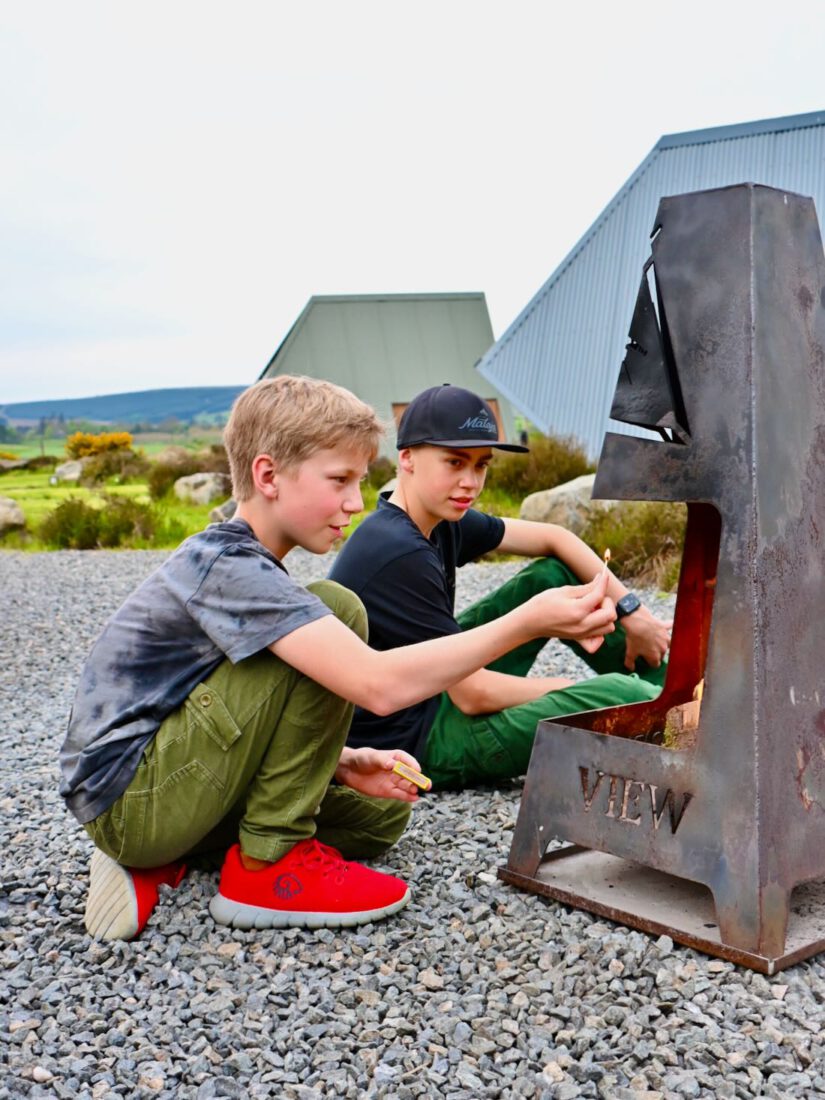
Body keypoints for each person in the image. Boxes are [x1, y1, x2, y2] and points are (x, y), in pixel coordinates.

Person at [60, 376, 619, 941]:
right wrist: (529, 620)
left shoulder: (251, 566)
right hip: (130, 797)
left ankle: (164, 859)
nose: (356, 502)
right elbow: (374, 685)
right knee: (336, 610)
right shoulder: (226, 565)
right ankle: (264, 868)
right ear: (268, 475)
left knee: (380, 818)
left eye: (360, 481)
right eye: (340, 481)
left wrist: (344, 761)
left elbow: (238, 706)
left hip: (164, 786)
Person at [329, 383, 671, 790]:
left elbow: (555, 538)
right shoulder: (398, 550)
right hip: (415, 741)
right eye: (455, 463)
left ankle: (678, 689)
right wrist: (579, 690)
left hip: (431, 689)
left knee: (550, 575)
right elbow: (472, 695)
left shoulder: (435, 516)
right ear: (407, 458)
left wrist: (634, 612)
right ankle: (670, 708)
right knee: (618, 695)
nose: (470, 482)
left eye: (481, 465)